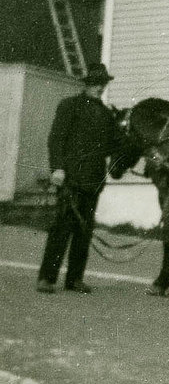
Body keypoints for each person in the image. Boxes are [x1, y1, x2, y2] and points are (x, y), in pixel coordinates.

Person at [36, 63, 121, 294]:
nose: (99, 88)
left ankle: (74, 279)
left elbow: (116, 144)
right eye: (95, 83)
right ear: (86, 84)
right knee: (62, 228)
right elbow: (56, 139)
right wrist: (57, 168)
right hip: (70, 178)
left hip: (93, 181)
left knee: (84, 230)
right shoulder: (69, 106)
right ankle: (47, 278)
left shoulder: (107, 115)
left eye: (102, 84)